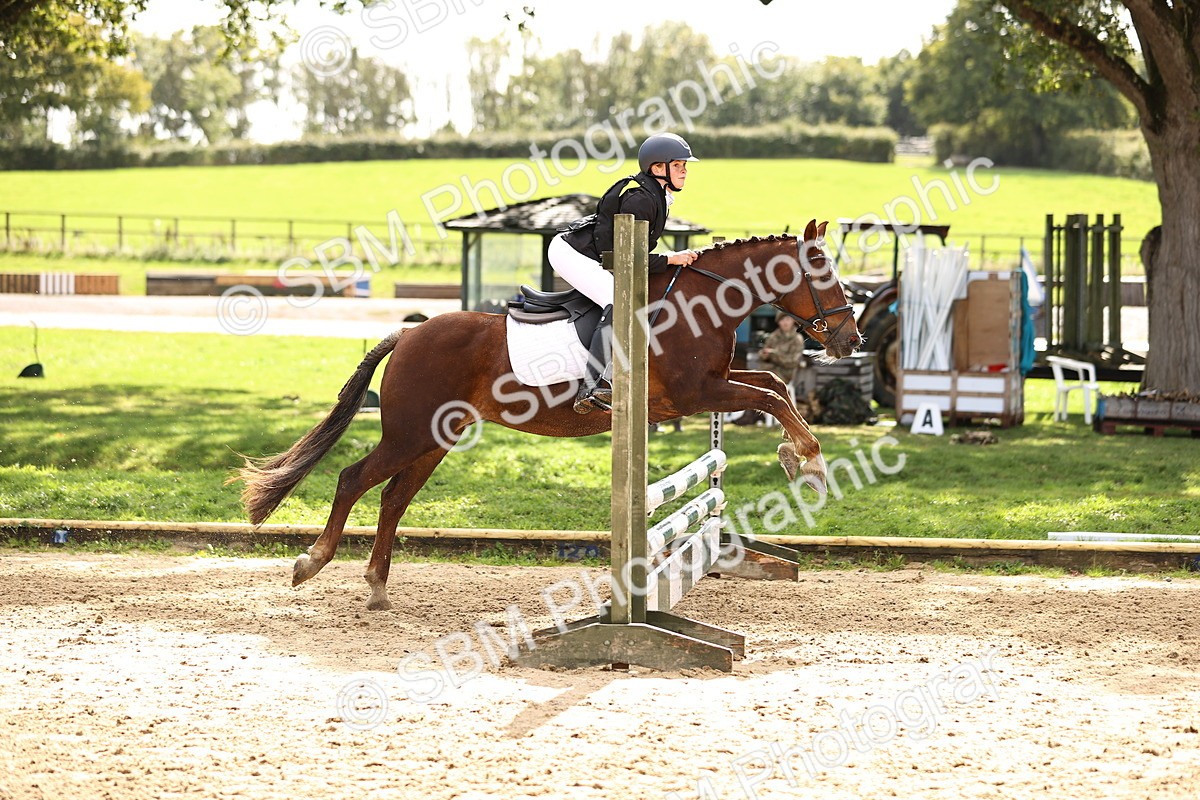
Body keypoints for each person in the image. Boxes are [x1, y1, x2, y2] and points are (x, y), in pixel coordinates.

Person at [549, 132, 700, 413]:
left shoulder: (656, 195)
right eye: (678, 165)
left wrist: (668, 260)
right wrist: (669, 259)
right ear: (658, 168)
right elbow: (626, 258)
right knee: (618, 301)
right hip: (571, 252)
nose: (684, 171)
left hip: (598, 254)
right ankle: (592, 384)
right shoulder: (640, 200)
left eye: (684, 166)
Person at [737, 313, 806, 426]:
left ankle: (753, 415)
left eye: (787, 319)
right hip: (770, 370)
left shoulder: (797, 339)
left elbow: (792, 362)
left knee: (765, 379)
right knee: (753, 378)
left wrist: (774, 355)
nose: (785, 323)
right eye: (782, 320)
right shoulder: (774, 336)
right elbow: (762, 355)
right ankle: (754, 413)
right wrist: (764, 354)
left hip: (785, 373)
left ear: (793, 321)